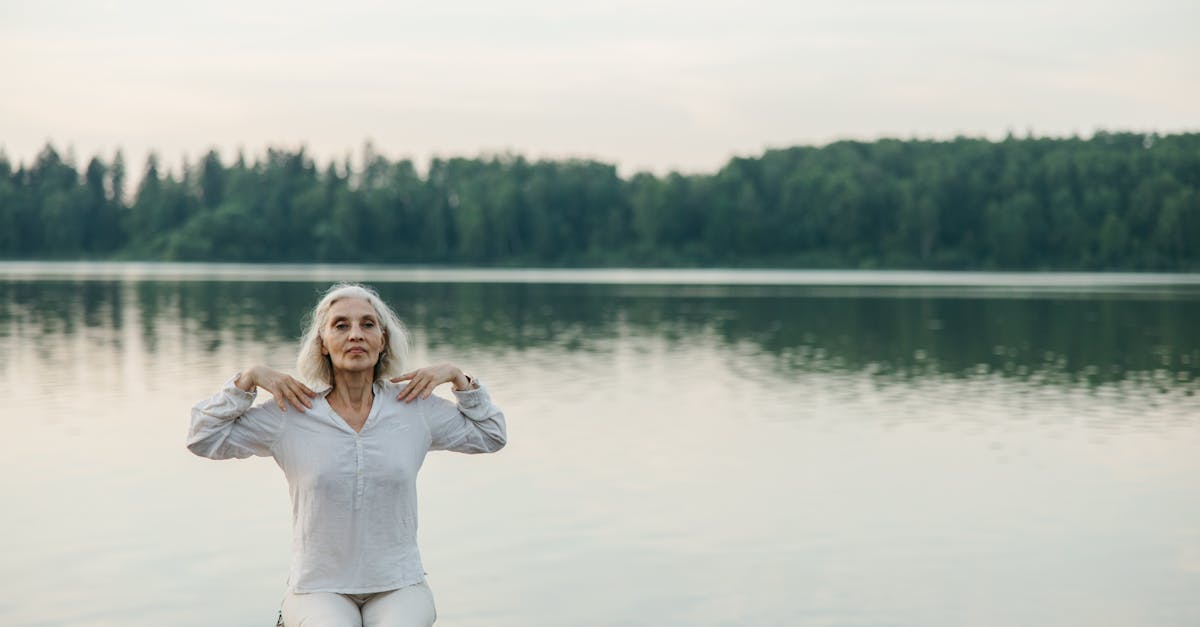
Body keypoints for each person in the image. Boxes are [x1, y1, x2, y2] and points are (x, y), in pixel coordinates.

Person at [187, 283, 507, 627]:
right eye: (341, 325)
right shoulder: (292, 411)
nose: (356, 334)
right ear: (322, 343)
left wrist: (458, 377)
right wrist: (247, 380)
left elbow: (491, 435)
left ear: (382, 340)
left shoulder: (414, 406)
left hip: (399, 583)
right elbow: (203, 438)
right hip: (317, 587)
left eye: (367, 325)